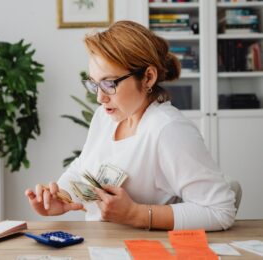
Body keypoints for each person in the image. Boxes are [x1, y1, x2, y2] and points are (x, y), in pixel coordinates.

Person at [25, 20, 236, 231]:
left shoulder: (168, 130)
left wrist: (135, 214)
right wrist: (62, 196)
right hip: (100, 245)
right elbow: (82, 166)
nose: (100, 97)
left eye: (109, 84)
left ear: (148, 77)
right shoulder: (105, 117)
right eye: (94, 84)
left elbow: (220, 211)